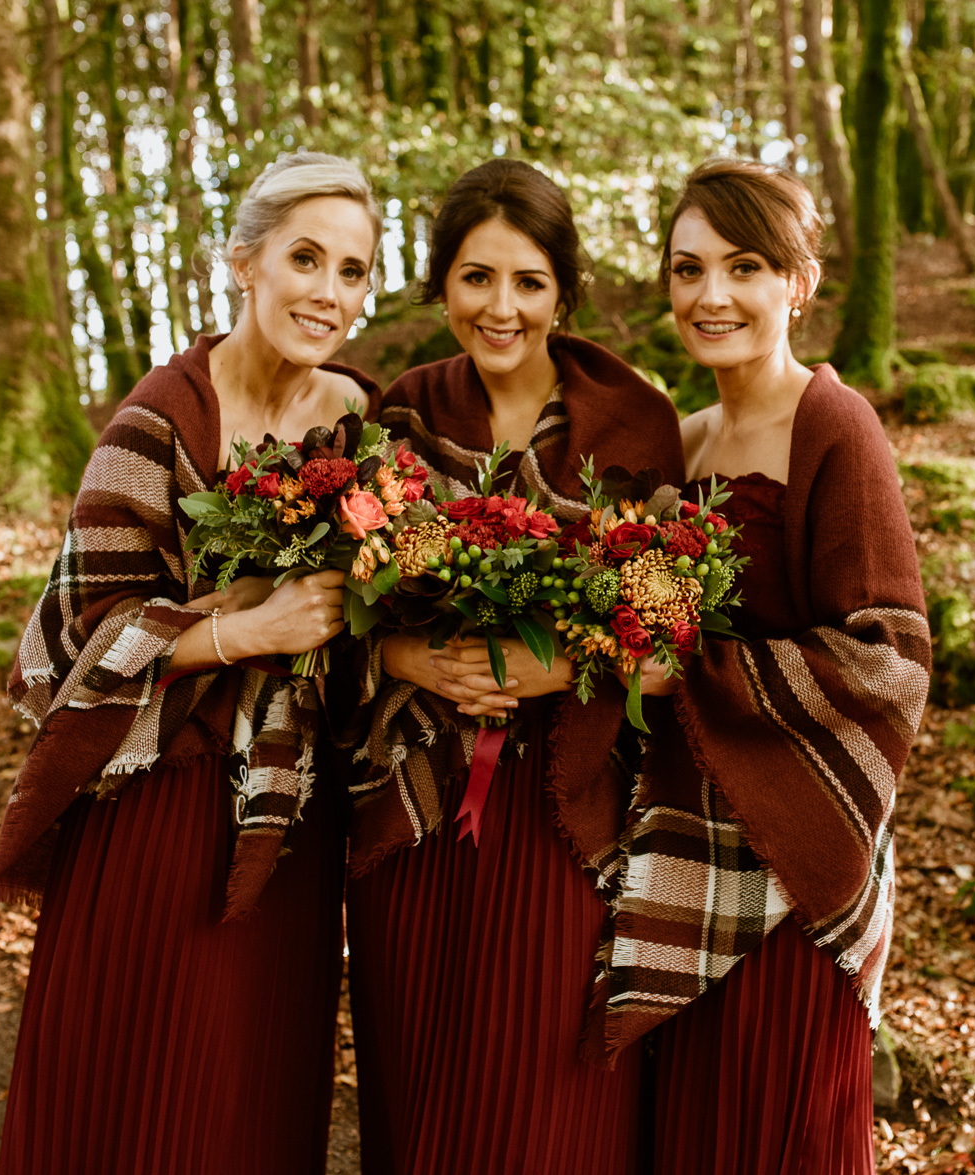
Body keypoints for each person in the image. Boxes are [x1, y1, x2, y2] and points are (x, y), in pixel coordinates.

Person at [0, 152, 384, 1175]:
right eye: (305, 258)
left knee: (251, 1093)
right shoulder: (161, 415)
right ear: (241, 263)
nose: (328, 291)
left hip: (290, 808)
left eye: (352, 269)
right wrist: (245, 630)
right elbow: (81, 630)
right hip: (158, 797)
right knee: (138, 1090)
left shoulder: (365, 421)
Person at [584, 158, 932, 1173]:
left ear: (798, 279)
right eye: (687, 269)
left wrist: (693, 675)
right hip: (684, 871)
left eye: (743, 266)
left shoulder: (834, 425)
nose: (711, 294)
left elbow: (889, 659)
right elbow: (640, 631)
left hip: (791, 871)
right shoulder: (679, 446)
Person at [340, 158, 685, 1175]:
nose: (501, 308)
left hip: (561, 815)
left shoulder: (631, 423)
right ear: (440, 284)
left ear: (562, 294)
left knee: (545, 1113)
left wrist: (546, 668)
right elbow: (349, 603)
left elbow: (667, 639)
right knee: (421, 1106)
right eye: (475, 278)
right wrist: (414, 655)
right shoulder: (398, 417)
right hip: (413, 821)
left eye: (527, 282)